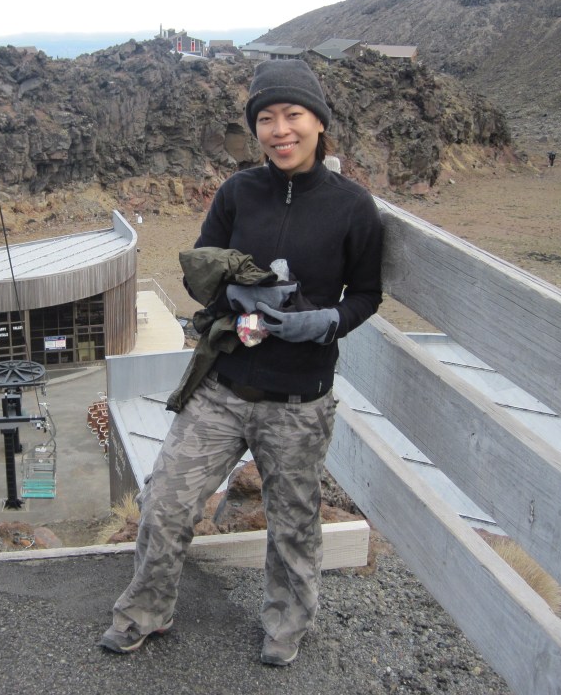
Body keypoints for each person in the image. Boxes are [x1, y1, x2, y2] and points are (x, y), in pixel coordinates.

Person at [99, 59, 384, 665]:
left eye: (293, 115)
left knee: (293, 527)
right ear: (255, 129)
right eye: (266, 118)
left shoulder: (353, 207)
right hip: (223, 387)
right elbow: (202, 265)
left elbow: (366, 294)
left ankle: (286, 627)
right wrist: (235, 294)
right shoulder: (237, 193)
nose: (280, 130)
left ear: (318, 123)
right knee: (166, 500)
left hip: (299, 400)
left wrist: (326, 321)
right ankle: (146, 610)